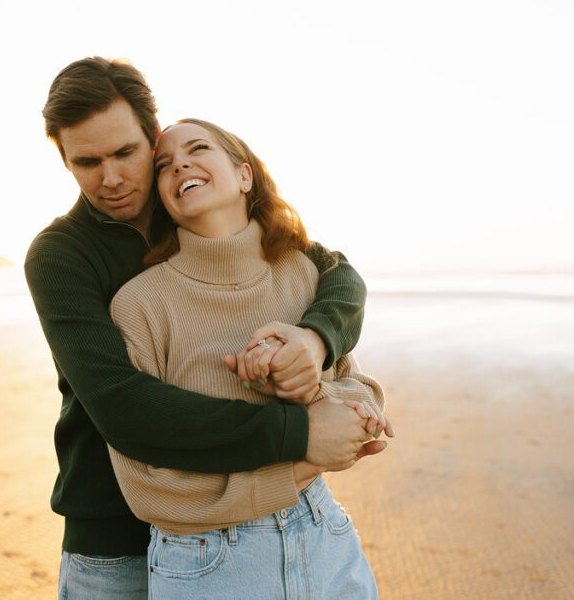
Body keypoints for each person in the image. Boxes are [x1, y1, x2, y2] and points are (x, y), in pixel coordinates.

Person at [25, 57, 386, 599]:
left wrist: (314, 340)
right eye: (87, 162)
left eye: (125, 153)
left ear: (154, 136)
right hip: (114, 540)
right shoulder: (60, 256)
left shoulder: (193, 202)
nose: (113, 178)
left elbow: (335, 274)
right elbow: (124, 406)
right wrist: (303, 436)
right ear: (64, 161)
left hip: (269, 518)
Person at [108, 118, 386, 598]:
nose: (181, 165)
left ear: (244, 175)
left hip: (325, 535)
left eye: (197, 148)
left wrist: (304, 381)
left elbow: (359, 398)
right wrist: (300, 460)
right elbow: (144, 485)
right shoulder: (140, 304)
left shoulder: (301, 272)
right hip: (208, 560)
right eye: (164, 165)